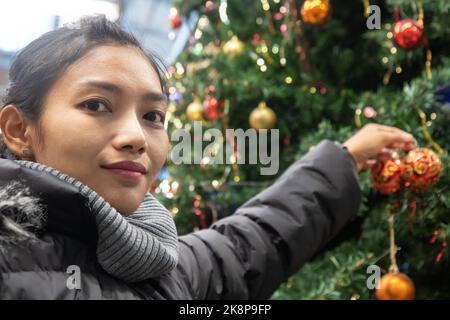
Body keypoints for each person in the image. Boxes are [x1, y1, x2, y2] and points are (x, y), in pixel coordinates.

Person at [0, 16, 415, 299]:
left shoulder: (161, 267)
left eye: (153, 116)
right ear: (19, 130)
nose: (135, 137)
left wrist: (344, 159)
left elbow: (245, 246)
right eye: (96, 105)